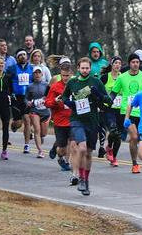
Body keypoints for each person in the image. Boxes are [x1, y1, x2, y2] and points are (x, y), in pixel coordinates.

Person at [60, 57, 112, 196]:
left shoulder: (96, 81)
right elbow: (64, 97)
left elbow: (108, 100)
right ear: (78, 68)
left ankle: (86, 181)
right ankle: (81, 178)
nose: (85, 70)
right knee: (81, 147)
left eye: (87, 68)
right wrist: (69, 103)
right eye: (82, 68)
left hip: (92, 121)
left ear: (90, 68)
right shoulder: (72, 82)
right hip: (77, 120)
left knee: (88, 153)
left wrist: (98, 95)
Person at [110, 52, 142, 173]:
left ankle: (137, 158)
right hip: (126, 112)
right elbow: (113, 93)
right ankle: (134, 163)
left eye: (137, 62)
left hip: (141, 113)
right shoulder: (122, 77)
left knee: (138, 138)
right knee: (134, 136)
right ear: (129, 63)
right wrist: (106, 103)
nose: (136, 64)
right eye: (133, 62)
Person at [46, 58, 74, 173]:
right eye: (63, 75)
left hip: (73, 119)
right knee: (61, 147)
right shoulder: (55, 87)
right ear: (60, 74)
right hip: (60, 120)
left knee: (72, 143)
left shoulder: (76, 84)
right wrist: (55, 102)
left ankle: (67, 162)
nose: (65, 78)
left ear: (71, 74)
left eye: (67, 75)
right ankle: (60, 156)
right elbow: (47, 102)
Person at [101, 56, 123, 167]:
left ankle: (113, 156)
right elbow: (98, 89)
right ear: (112, 64)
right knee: (113, 130)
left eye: (119, 63)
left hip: (121, 109)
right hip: (108, 109)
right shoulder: (105, 77)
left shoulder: (123, 77)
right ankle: (109, 146)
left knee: (118, 135)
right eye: (116, 63)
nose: (118, 65)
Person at [25, 67, 50, 158]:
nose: (37, 74)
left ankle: (41, 137)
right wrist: (27, 102)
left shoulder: (46, 85)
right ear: (33, 75)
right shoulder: (30, 86)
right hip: (34, 110)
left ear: (42, 74)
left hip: (45, 111)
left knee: (43, 133)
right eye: (35, 73)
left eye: (39, 73)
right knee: (37, 130)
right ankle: (40, 151)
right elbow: (26, 98)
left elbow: (50, 96)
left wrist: (47, 100)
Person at [12, 50, 34, 152]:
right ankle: (14, 125)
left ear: (27, 56)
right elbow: (7, 81)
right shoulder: (12, 68)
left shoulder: (32, 68)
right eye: (20, 55)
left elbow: (35, 82)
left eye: (24, 54)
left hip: (27, 98)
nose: (22, 56)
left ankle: (26, 145)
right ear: (17, 58)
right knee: (18, 123)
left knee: (27, 119)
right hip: (16, 98)